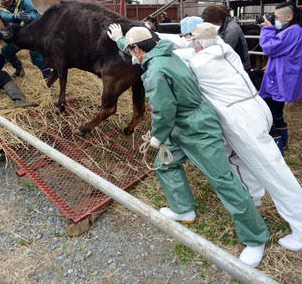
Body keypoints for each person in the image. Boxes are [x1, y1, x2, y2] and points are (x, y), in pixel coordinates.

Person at [107, 24, 269, 268]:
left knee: (223, 180)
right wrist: (120, 39)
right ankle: (182, 209)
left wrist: (157, 137)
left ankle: (256, 238)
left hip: (196, 129)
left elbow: (163, 110)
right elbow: (141, 47)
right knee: (164, 163)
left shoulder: (155, 73)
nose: (131, 55)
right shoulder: (164, 52)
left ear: (138, 48)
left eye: (131, 49)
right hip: (182, 125)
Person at [175, 22, 302, 251]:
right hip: (257, 108)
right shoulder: (225, 49)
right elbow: (184, 46)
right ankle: (253, 197)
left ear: (196, 42)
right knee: (238, 159)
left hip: (242, 120)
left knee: (275, 174)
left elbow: (173, 51)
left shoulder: (197, 62)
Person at [257, 2, 302, 152]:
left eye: (276, 17)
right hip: (279, 75)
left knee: (269, 112)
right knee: (277, 112)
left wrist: (266, 28)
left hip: (281, 78)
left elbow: (269, 47)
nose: (274, 20)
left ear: (289, 17)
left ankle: (276, 147)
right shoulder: (292, 29)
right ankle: (283, 143)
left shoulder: (293, 31)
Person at [0, 0, 52, 80]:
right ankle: (19, 70)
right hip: (18, 31)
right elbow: (4, 15)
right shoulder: (0, 5)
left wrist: (28, 17)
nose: (6, 0)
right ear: (0, 0)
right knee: (6, 50)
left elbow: (34, 14)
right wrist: (16, 16)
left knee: (36, 55)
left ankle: (48, 77)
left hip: (32, 30)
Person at [201, 5, 252, 70]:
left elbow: (224, 52)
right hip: (230, 64)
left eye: (211, 24)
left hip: (239, 67)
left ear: (219, 20)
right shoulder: (222, 26)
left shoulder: (231, 30)